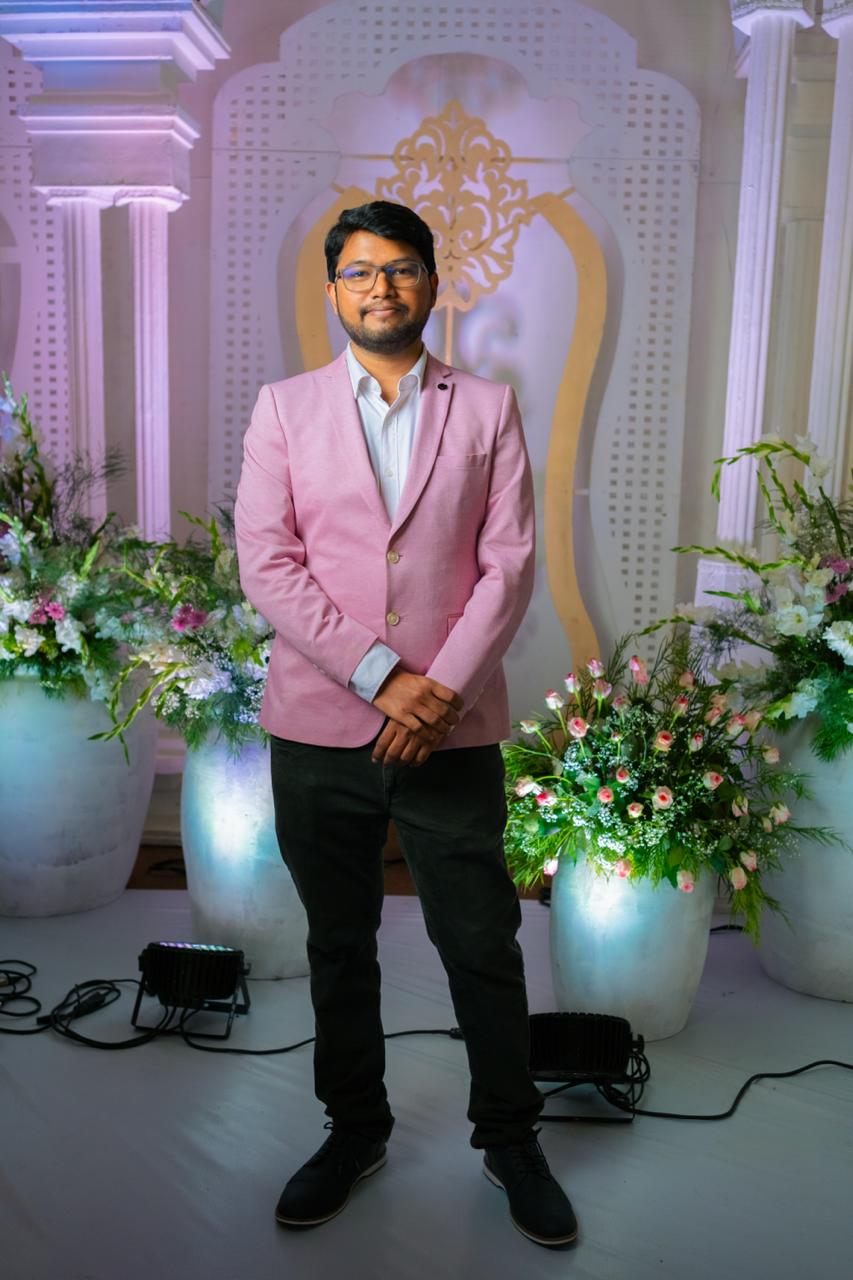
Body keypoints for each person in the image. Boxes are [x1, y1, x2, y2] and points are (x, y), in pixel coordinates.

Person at [234, 199, 577, 1248]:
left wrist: (440, 694)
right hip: (318, 728)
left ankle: (510, 1139)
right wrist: (384, 677)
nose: (379, 287)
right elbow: (268, 565)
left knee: (481, 940)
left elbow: (507, 565)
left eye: (400, 268)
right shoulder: (283, 409)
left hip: (450, 730)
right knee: (339, 943)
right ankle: (354, 1130)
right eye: (359, 271)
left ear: (431, 282)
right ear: (332, 290)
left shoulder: (488, 408)